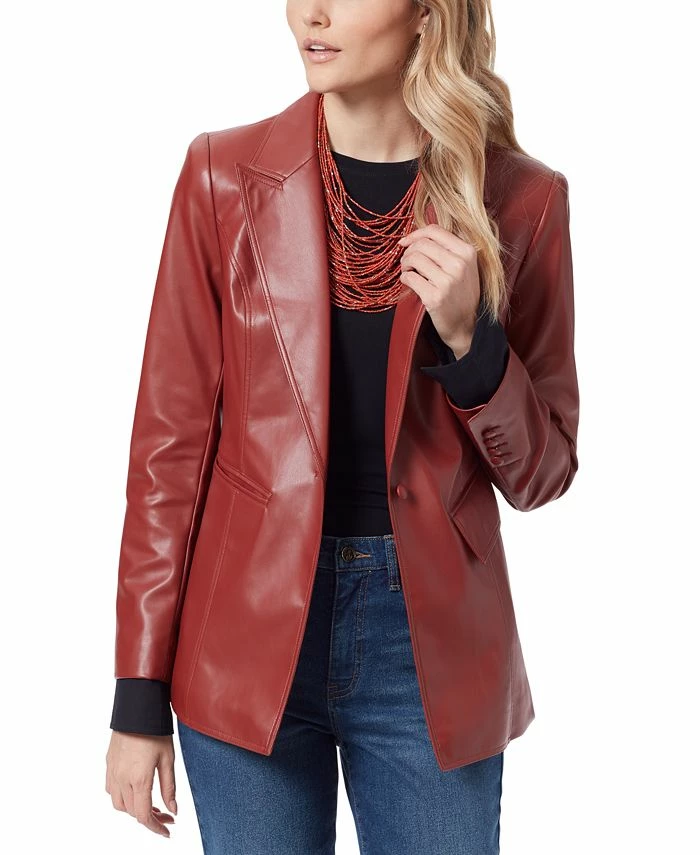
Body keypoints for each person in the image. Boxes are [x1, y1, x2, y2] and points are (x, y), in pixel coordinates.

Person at [105, 1, 579, 852]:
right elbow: (168, 452)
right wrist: (137, 693)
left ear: (427, 15)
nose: (313, 14)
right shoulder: (221, 177)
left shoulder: (520, 201)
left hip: (429, 647)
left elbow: (542, 473)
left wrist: (474, 343)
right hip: (245, 630)